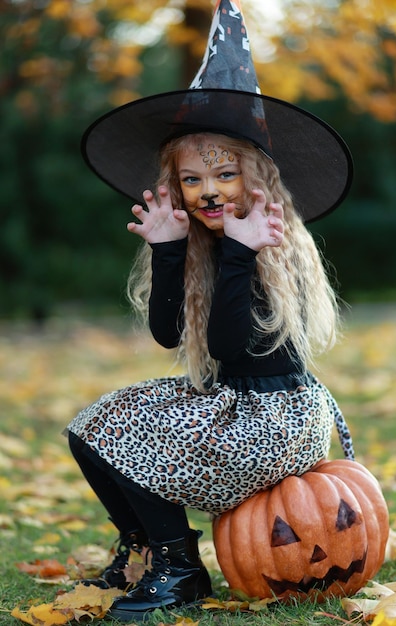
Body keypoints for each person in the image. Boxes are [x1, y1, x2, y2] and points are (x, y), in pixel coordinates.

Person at [65, 0, 355, 621]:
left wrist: (241, 258)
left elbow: (229, 345)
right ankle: (147, 550)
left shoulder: (270, 246)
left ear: (258, 178)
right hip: (230, 405)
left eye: (225, 173)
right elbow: (167, 330)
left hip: (276, 421)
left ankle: (179, 566)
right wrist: (169, 251)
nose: (209, 191)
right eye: (192, 180)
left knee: (134, 431)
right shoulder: (207, 244)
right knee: (93, 423)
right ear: (175, 187)